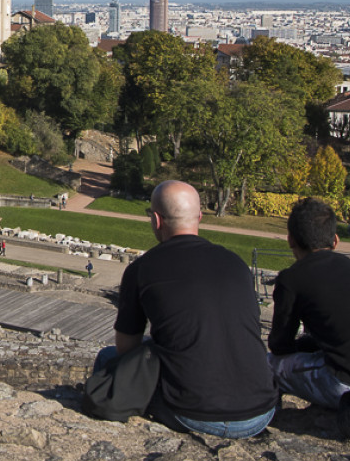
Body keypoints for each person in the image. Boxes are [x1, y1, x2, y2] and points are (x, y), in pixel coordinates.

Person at [95, 180, 277, 438]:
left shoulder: (142, 269)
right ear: (199, 217)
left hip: (195, 413)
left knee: (107, 357)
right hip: (261, 411)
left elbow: (126, 349)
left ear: (157, 220)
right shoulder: (236, 264)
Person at [268, 198, 350, 410]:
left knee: (267, 365)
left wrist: (301, 347)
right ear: (335, 240)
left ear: (290, 240)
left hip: (347, 386)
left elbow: (279, 345)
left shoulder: (291, 279)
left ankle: (266, 412)